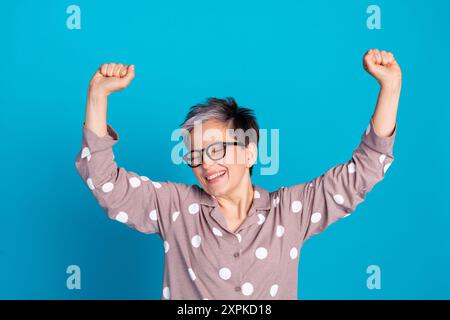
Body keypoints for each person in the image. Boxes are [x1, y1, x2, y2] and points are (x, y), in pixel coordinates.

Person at [75, 49, 401, 299]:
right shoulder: (173, 207)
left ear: (249, 152)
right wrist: (97, 95)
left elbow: (365, 169)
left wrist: (391, 86)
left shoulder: (289, 212)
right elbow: (104, 180)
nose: (205, 164)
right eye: (195, 155)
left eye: (216, 149)